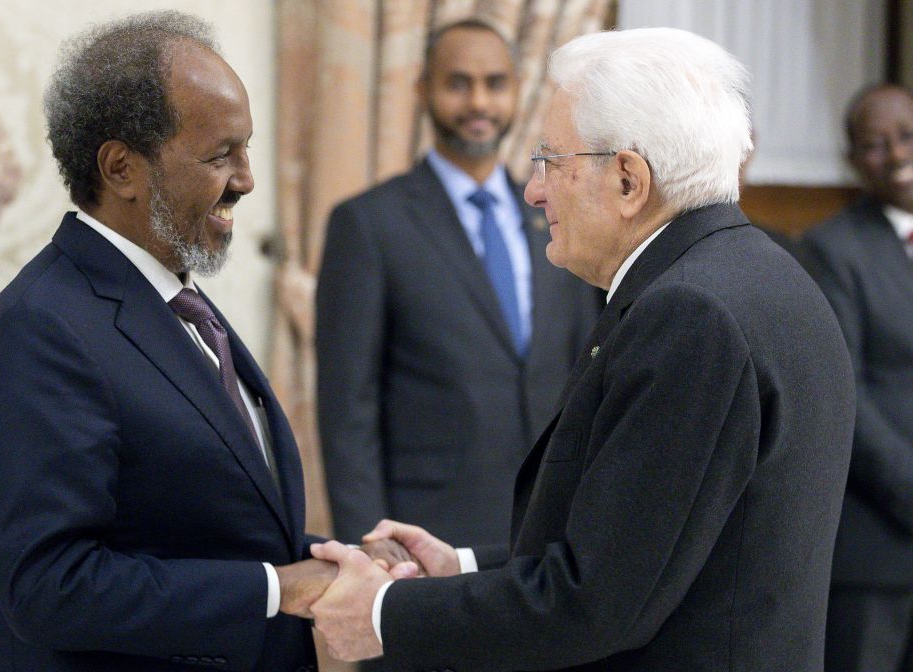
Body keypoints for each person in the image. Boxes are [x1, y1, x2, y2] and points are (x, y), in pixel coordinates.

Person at [302, 27, 856, 671]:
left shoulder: (690, 315)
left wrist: (380, 617)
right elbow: (645, 541)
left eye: (550, 160)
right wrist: (463, 567)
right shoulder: (757, 272)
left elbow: (596, 602)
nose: (535, 191)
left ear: (628, 179)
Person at [0, 12, 413, 671]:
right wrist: (276, 588)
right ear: (121, 169)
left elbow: (204, 530)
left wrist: (337, 561)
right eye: (220, 154)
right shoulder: (39, 329)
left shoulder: (173, 304)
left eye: (246, 148)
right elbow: (47, 588)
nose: (247, 178)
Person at [316, 19, 602, 551]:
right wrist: (373, 549)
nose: (478, 102)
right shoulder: (368, 224)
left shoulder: (557, 215)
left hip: (552, 530)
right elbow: (347, 415)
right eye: (458, 83)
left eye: (495, 83)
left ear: (517, 90)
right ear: (423, 90)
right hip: (428, 535)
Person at [804, 83, 913, 672]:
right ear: (851, 160)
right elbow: (847, 392)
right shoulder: (832, 249)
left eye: (906, 136)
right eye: (874, 146)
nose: (896, 155)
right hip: (877, 551)